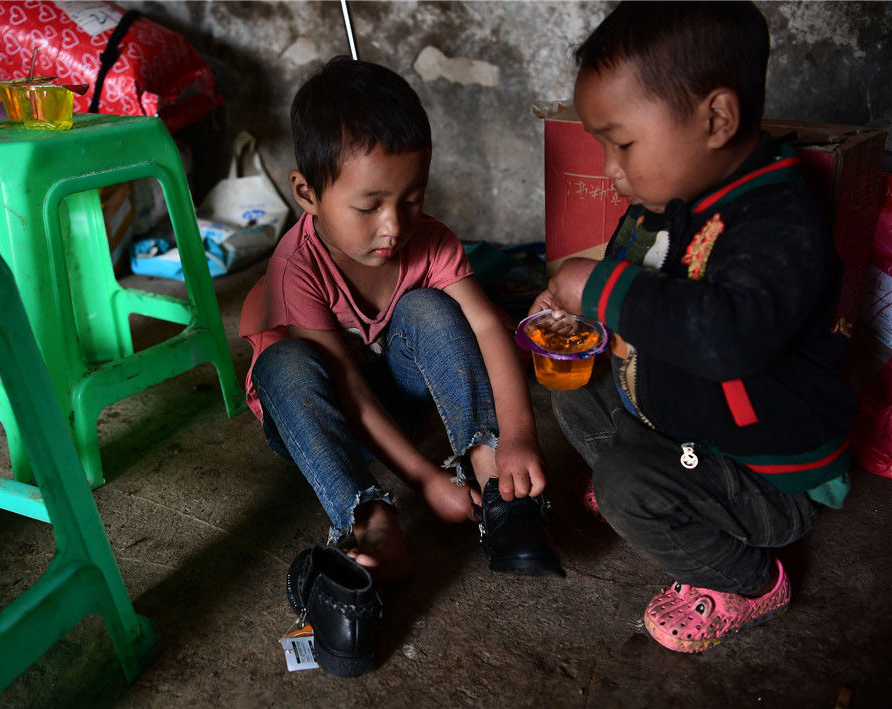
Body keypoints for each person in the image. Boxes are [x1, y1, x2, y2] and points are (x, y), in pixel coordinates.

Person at [532, 1, 858, 653]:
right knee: (573, 388)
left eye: (623, 143)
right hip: (686, 422)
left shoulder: (777, 222)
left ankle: (748, 580)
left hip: (764, 473)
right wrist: (583, 314)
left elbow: (727, 337)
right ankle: (655, 490)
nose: (610, 169)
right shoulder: (679, 201)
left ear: (716, 119)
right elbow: (645, 304)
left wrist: (598, 288)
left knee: (624, 484)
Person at [240, 56, 560, 587]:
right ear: (306, 193)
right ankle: (370, 521)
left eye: (412, 200)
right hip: (322, 424)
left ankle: (493, 477)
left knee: (429, 307)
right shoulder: (294, 268)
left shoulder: (429, 240)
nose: (394, 227)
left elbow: (486, 327)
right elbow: (345, 388)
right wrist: (426, 480)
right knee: (283, 363)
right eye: (369, 207)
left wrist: (519, 436)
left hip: (396, 405)